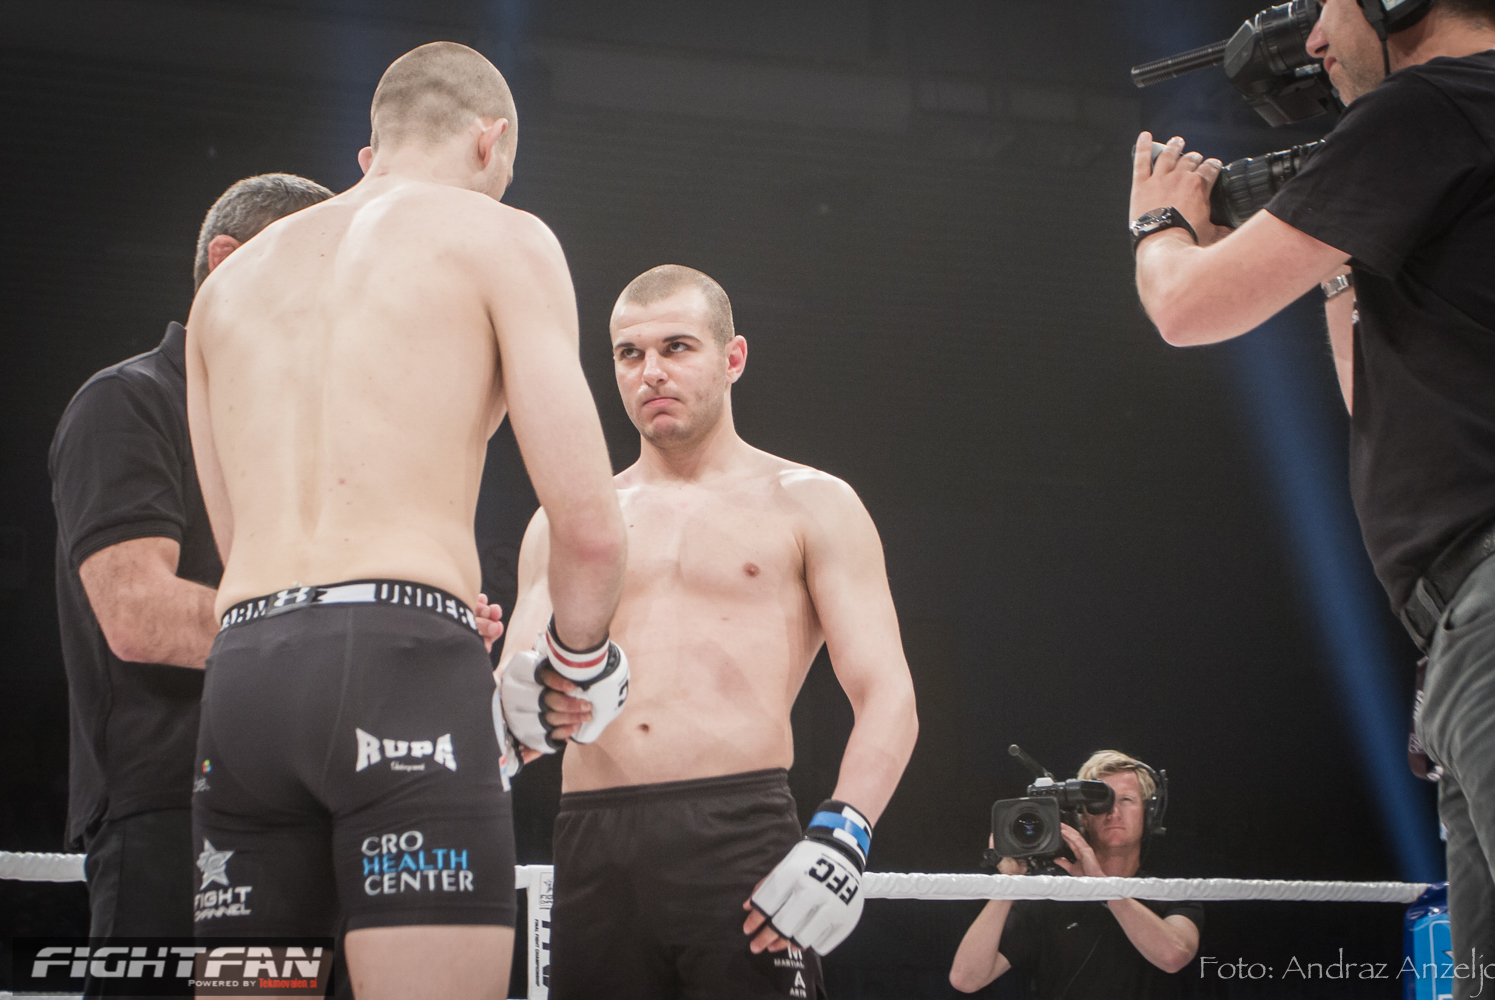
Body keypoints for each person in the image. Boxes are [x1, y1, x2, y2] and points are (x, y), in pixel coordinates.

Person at [184, 42, 627, 1000]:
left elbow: (233, 541)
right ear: (490, 141)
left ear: (371, 152)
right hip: (402, 674)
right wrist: (574, 666)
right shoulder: (500, 237)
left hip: (246, 673)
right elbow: (590, 526)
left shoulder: (225, 290)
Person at [1128, 1, 1495, 992]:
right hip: (1461, 628)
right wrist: (1337, 259)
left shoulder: (1431, 103)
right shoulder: (1467, 125)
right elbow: (1370, 398)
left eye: (1329, 7)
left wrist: (1160, 221)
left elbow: (1187, 306)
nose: (1318, 43)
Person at [491, 263, 919, 999]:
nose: (651, 372)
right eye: (630, 354)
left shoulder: (812, 505)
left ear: (733, 357)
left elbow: (888, 692)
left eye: (677, 347)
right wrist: (492, 686)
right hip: (593, 841)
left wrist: (845, 834)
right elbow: (518, 699)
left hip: (739, 832)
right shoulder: (571, 524)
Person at [49, 174, 332, 973]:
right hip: (170, 807)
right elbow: (139, 614)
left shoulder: (301, 437)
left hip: (300, 798)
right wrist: (338, 628)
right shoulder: (128, 402)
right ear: (228, 261)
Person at [948, 751, 1202, 998]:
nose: (1113, 812)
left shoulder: (1173, 893)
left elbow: (1173, 956)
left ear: (1149, 813)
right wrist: (1008, 886)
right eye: (1100, 801)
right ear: (1084, 818)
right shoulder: (1052, 896)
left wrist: (1102, 887)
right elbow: (966, 978)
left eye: (1126, 800)